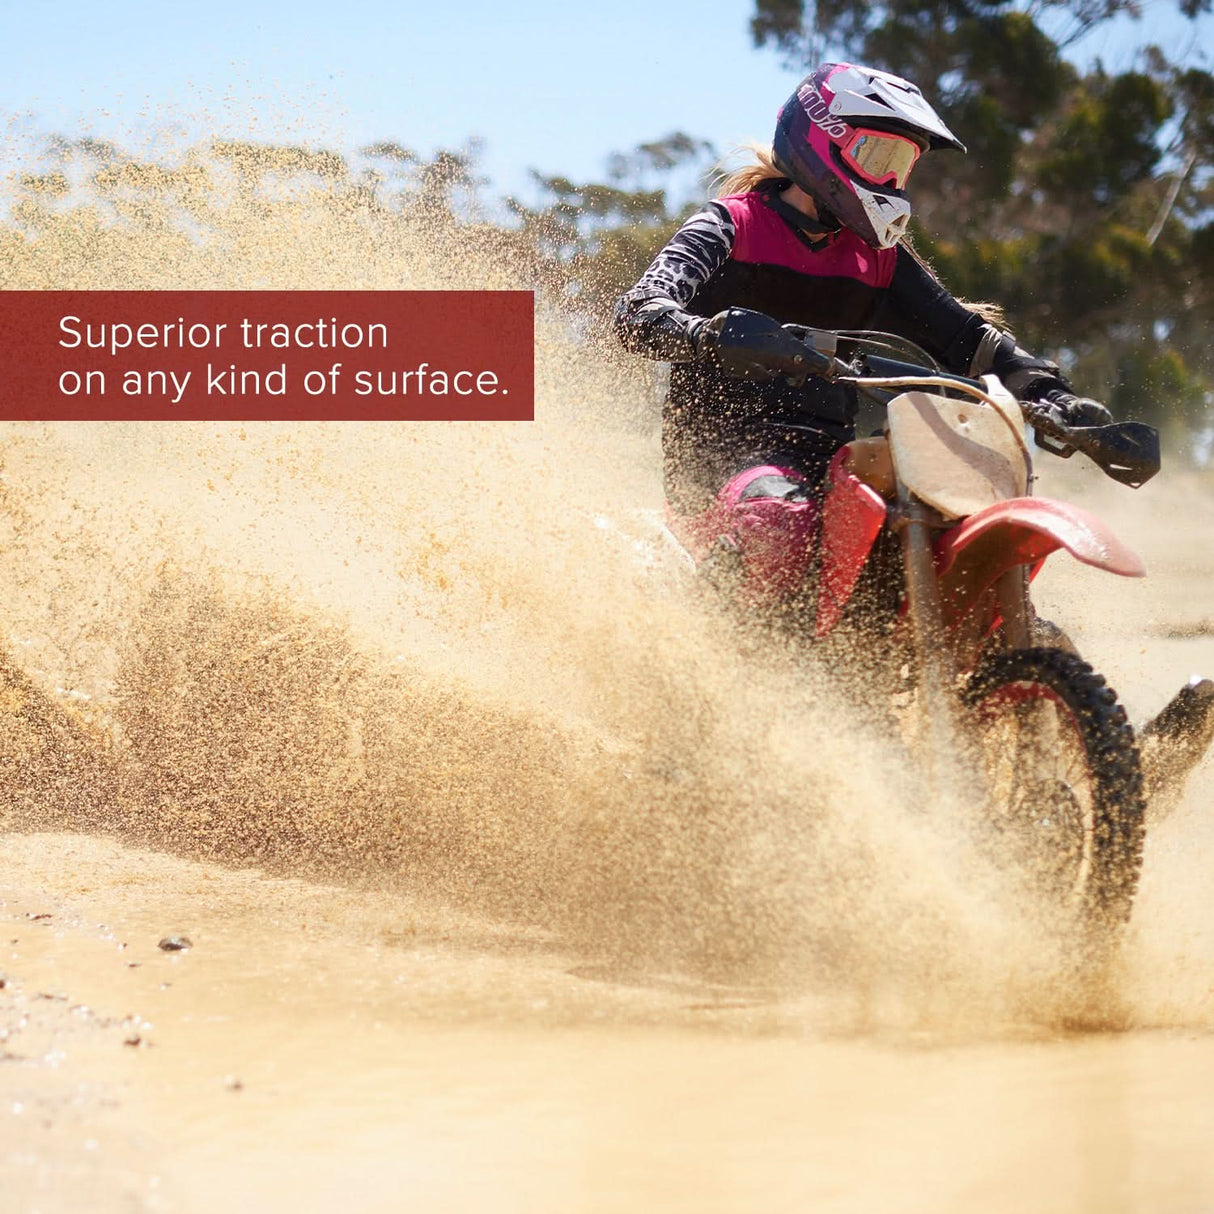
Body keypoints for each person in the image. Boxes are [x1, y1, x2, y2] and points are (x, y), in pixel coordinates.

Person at [614, 62, 1113, 609]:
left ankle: (1029, 667)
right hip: (720, 455)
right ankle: (711, 660)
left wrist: (1053, 395)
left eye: (901, 166)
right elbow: (637, 312)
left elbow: (970, 339)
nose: (891, 181)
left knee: (945, 532)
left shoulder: (878, 260)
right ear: (820, 137)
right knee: (779, 522)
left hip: (836, 458)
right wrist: (712, 335)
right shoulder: (730, 225)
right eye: (878, 157)